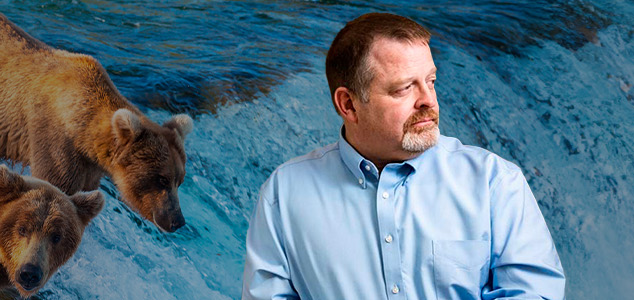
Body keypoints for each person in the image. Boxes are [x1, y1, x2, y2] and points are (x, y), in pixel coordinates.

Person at [241, 13, 566, 299]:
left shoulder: (495, 182)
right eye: (404, 89)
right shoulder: (284, 195)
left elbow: (534, 294)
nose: (428, 100)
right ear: (349, 105)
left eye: (431, 81)